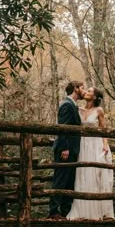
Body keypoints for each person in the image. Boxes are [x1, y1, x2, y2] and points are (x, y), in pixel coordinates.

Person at [67, 86, 114, 220]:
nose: (86, 92)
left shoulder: (99, 110)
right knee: (83, 174)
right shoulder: (78, 110)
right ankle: (82, 211)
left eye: (89, 91)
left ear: (94, 97)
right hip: (83, 145)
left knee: (95, 174)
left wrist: (105, 145)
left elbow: (103, 129)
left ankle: (97, 211)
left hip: (96, 145)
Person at [48, 80, 85, 219]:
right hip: (66, 150)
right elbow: (62, 128)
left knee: (69, 181)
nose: (84, 90)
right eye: (82, 87)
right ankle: (53, 211)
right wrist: (65, 148)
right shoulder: (66, 105)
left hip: (72, 150)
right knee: (61, 179)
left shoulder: (73, 106)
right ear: (75, 89)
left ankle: (65, 212)